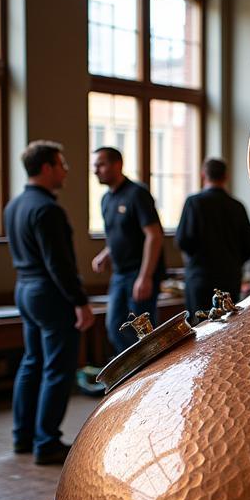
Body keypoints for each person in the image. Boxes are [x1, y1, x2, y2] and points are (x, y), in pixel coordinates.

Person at [4, 141, 94, 465]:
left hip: (25, 290)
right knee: (58, 368)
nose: (65, 170)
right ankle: (47, 443)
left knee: (32, 362)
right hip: (50, 293)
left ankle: (23, 437)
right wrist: (79, 301)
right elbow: (59, 263)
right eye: (61, 164)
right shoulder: (48, 209)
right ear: (46, 168)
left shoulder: (14, 205)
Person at [91, 147, 165, 354]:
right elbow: (120, 235)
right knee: (114, 327)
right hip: (120, 274)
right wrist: (105, 254)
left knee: (143, 332)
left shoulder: (137, 194)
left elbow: (154, 235)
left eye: (101, 165)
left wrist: (145, 277)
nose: (96, 170)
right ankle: (134, 374)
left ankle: (150, 374)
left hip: (139, 273)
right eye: (94, 166)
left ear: (117, 165)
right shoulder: (106, 200)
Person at [175, 157, 250, 315]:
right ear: (226, 177)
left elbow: (183, 241)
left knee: (199, 329)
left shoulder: (194, 203)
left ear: (203, 175)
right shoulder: (237, 206)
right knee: (227, 327)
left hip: (200, 277)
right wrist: (234, 264)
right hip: (229, 279)